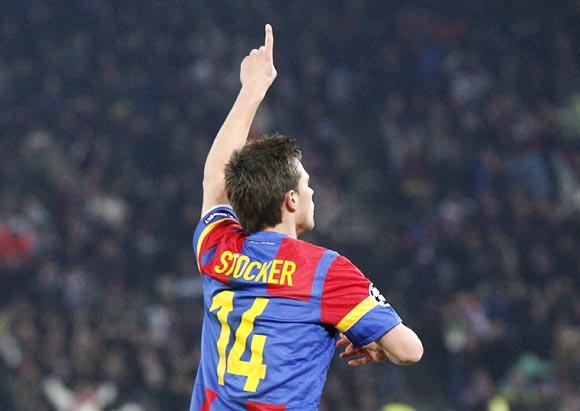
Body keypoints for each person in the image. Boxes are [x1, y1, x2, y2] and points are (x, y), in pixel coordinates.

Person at [190, 24, 423, 411]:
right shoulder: (325, 271)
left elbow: (215, 179)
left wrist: (252, 90)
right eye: (307, 184)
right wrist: (383, 343)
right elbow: (409, 350)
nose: (313, 192)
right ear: (292, 200)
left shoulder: (217, 247)